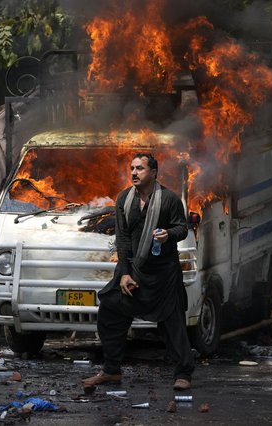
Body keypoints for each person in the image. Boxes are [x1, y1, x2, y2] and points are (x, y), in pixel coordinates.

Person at [83, 153, 195, 392]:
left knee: (172, 324)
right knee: (110, 310)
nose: (134, 173)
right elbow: (122, 239)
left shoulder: (169, 200)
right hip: (133, 270)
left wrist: (168, 235)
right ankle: (111, 370)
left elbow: (182, 229)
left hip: (163, 274)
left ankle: (183, 373)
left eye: (140, 169)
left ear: (153, 173)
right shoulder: (124, 199)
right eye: (132, 168)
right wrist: (123, 273)